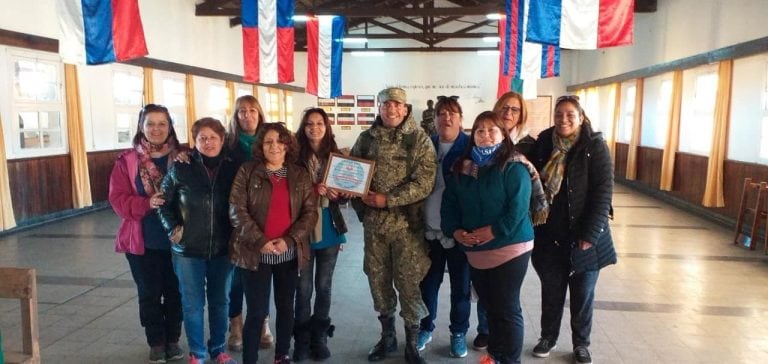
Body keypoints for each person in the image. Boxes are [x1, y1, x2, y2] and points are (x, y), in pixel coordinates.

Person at [441, 111, 546, 364]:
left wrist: (493, 231)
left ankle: (510, 360)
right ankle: (496, 355)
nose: (485, 135)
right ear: (472, 135)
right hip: (477, 251)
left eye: (492, 130)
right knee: (489, 306)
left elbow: (518, 209)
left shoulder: (514, 165)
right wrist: (455, 231)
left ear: (503, 134)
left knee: (506, 308)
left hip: (510, 246)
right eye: (480, 130)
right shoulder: (462, 167)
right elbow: (449, 205)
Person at [527, 95, 617, 364]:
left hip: (585, 238)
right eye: (559, 114)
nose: (563, 119)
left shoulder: (595, 147)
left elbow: (603, 194)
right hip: (550, 236)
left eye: (569, 114)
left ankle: (581, 344)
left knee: (582, 294)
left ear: (581, 117)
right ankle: (548, 337)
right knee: (551, 291)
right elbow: (525, 167)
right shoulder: (544, 142)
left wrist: (590, 235)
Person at [349, 87, 436, 364]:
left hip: (406, 227)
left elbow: (424, 182)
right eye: (386, 104)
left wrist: (388, 199)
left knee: (409, 283)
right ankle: (387, 338)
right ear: (379, 107)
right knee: (378, 282)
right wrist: (349, 191)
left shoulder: (418, 139)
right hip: (374, 229)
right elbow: (351, 173)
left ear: (406, 108)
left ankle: (412, 343)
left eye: (397, 105)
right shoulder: (366, 139)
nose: (391, 109)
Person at [229, 122, 318, 364]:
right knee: (257, 312)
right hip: (254, 253)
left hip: (287, 253)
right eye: (268, 141)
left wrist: (289, 240)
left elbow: (310, 213)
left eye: (280, 141)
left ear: (288, 145)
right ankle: (250, 359)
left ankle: (281, 355)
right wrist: (260, 241)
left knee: (285, 308)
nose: (275, 146)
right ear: (261, 145)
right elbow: (236, 210)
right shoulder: (248, 171)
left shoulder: (299, 174)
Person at [158, 118, 239, 364]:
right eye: (202, 138)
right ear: (195, 142)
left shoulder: (234, 168)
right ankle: (197, 352)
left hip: (223, 248)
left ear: (223, 139)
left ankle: (218, 349)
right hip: (187, 250)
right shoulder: (181, 167)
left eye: (213, 137)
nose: (208, 142)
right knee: (192, 304)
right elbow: (163, 202)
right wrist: (172, 227)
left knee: (220, 301)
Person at [108, 104, 184, 363]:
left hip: (179, 241)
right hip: (143, 241)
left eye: (162, 123)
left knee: (176, 292)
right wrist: (145, 204)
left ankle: (173, 340)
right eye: (150, 123)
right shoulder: (127, 161)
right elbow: (117, 199)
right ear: (141, 126)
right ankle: (156, 341)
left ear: (170, 126)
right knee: (149, 293)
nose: (156, 129)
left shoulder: (184, 156)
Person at [474, 91, 536, 351]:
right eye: (504, 107)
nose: (509, 113)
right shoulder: (475, 156)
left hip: (513, 235)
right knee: (488, 299)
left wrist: (498, 228)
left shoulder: (525, 150)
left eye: (515, 109)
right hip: (482, 240)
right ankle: (488, 335)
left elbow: (522, 200)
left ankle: (506, 354)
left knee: (507, 303)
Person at [415, 96, 471, 358]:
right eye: (441, 113)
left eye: (452, 113)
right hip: (429, 229)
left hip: (460, 231)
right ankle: (425, 327)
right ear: (434, 118)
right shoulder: (426, 146)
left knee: (460, 287)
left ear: (460, 118)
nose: (446, 118)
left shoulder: (470, 147)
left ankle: (458, 333)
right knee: (428, 285)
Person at [293, 108, 349, 362]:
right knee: (303, 289)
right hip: (302, 228)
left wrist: (344, 192)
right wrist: (314, 189)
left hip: (329, 226)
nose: (314, 128)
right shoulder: (293, 156)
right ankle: (302, 341)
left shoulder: (337, 156)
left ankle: (320, 337)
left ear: (326, 126)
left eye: (319, 123)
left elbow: (347, 189)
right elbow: (289, 190)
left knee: (324, 286)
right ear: (303, 127)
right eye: (309, 124)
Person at [224, 95, 275, 352]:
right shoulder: (227, 144)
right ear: (236, 115)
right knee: (234, 277)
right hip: (234, 219)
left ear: (259, 113)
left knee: (260, 274)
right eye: (241, 111)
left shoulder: (270, 142)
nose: (247, 115)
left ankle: (263, 321)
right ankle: (235, 324)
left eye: (252, 110)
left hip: (265, 219)